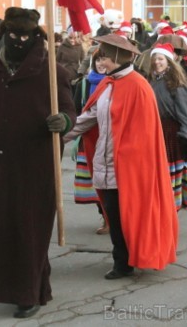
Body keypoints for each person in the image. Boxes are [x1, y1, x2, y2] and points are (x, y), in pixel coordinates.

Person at [0, 7, 76, 318]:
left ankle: (28, 294)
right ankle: (36, 285)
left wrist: (62, 121)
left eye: (26, 36)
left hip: (36, 166)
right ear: (3, 35)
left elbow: (69, 112)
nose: (19, 40)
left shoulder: (52, 73)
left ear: (36, 37)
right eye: (13, 35)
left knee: (29, 231)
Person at [63, 34, 178, 282]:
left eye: (103, 55)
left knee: (126, 214)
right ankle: (124, 258)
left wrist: (127, 158)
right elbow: (88, 118)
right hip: (107, 164)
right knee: (114, 215)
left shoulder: (138, 86)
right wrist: (59, 134)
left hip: (129, 166)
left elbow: (144, 134)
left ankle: (124, 261)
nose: (100, 60)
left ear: (116, 58)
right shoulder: (107, 84)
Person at [146, 43, 187, 210]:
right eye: (154, 59)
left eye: (160, 59)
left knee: (170, 174)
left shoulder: (176, 84)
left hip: (171, 134)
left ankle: (170, 208)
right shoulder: (150, 81)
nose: (157, 62)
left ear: (168, 61)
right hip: (155, 131)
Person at [72, 47, 108, 234]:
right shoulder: (84, 85)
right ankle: (104, 215)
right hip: (88, 135)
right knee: (94, 180)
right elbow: (76, 111)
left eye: (104, 59)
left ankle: (109, 218)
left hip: (108, 136)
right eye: (98, 60)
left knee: (108, 179)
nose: (101, 64)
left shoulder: (115, 83)